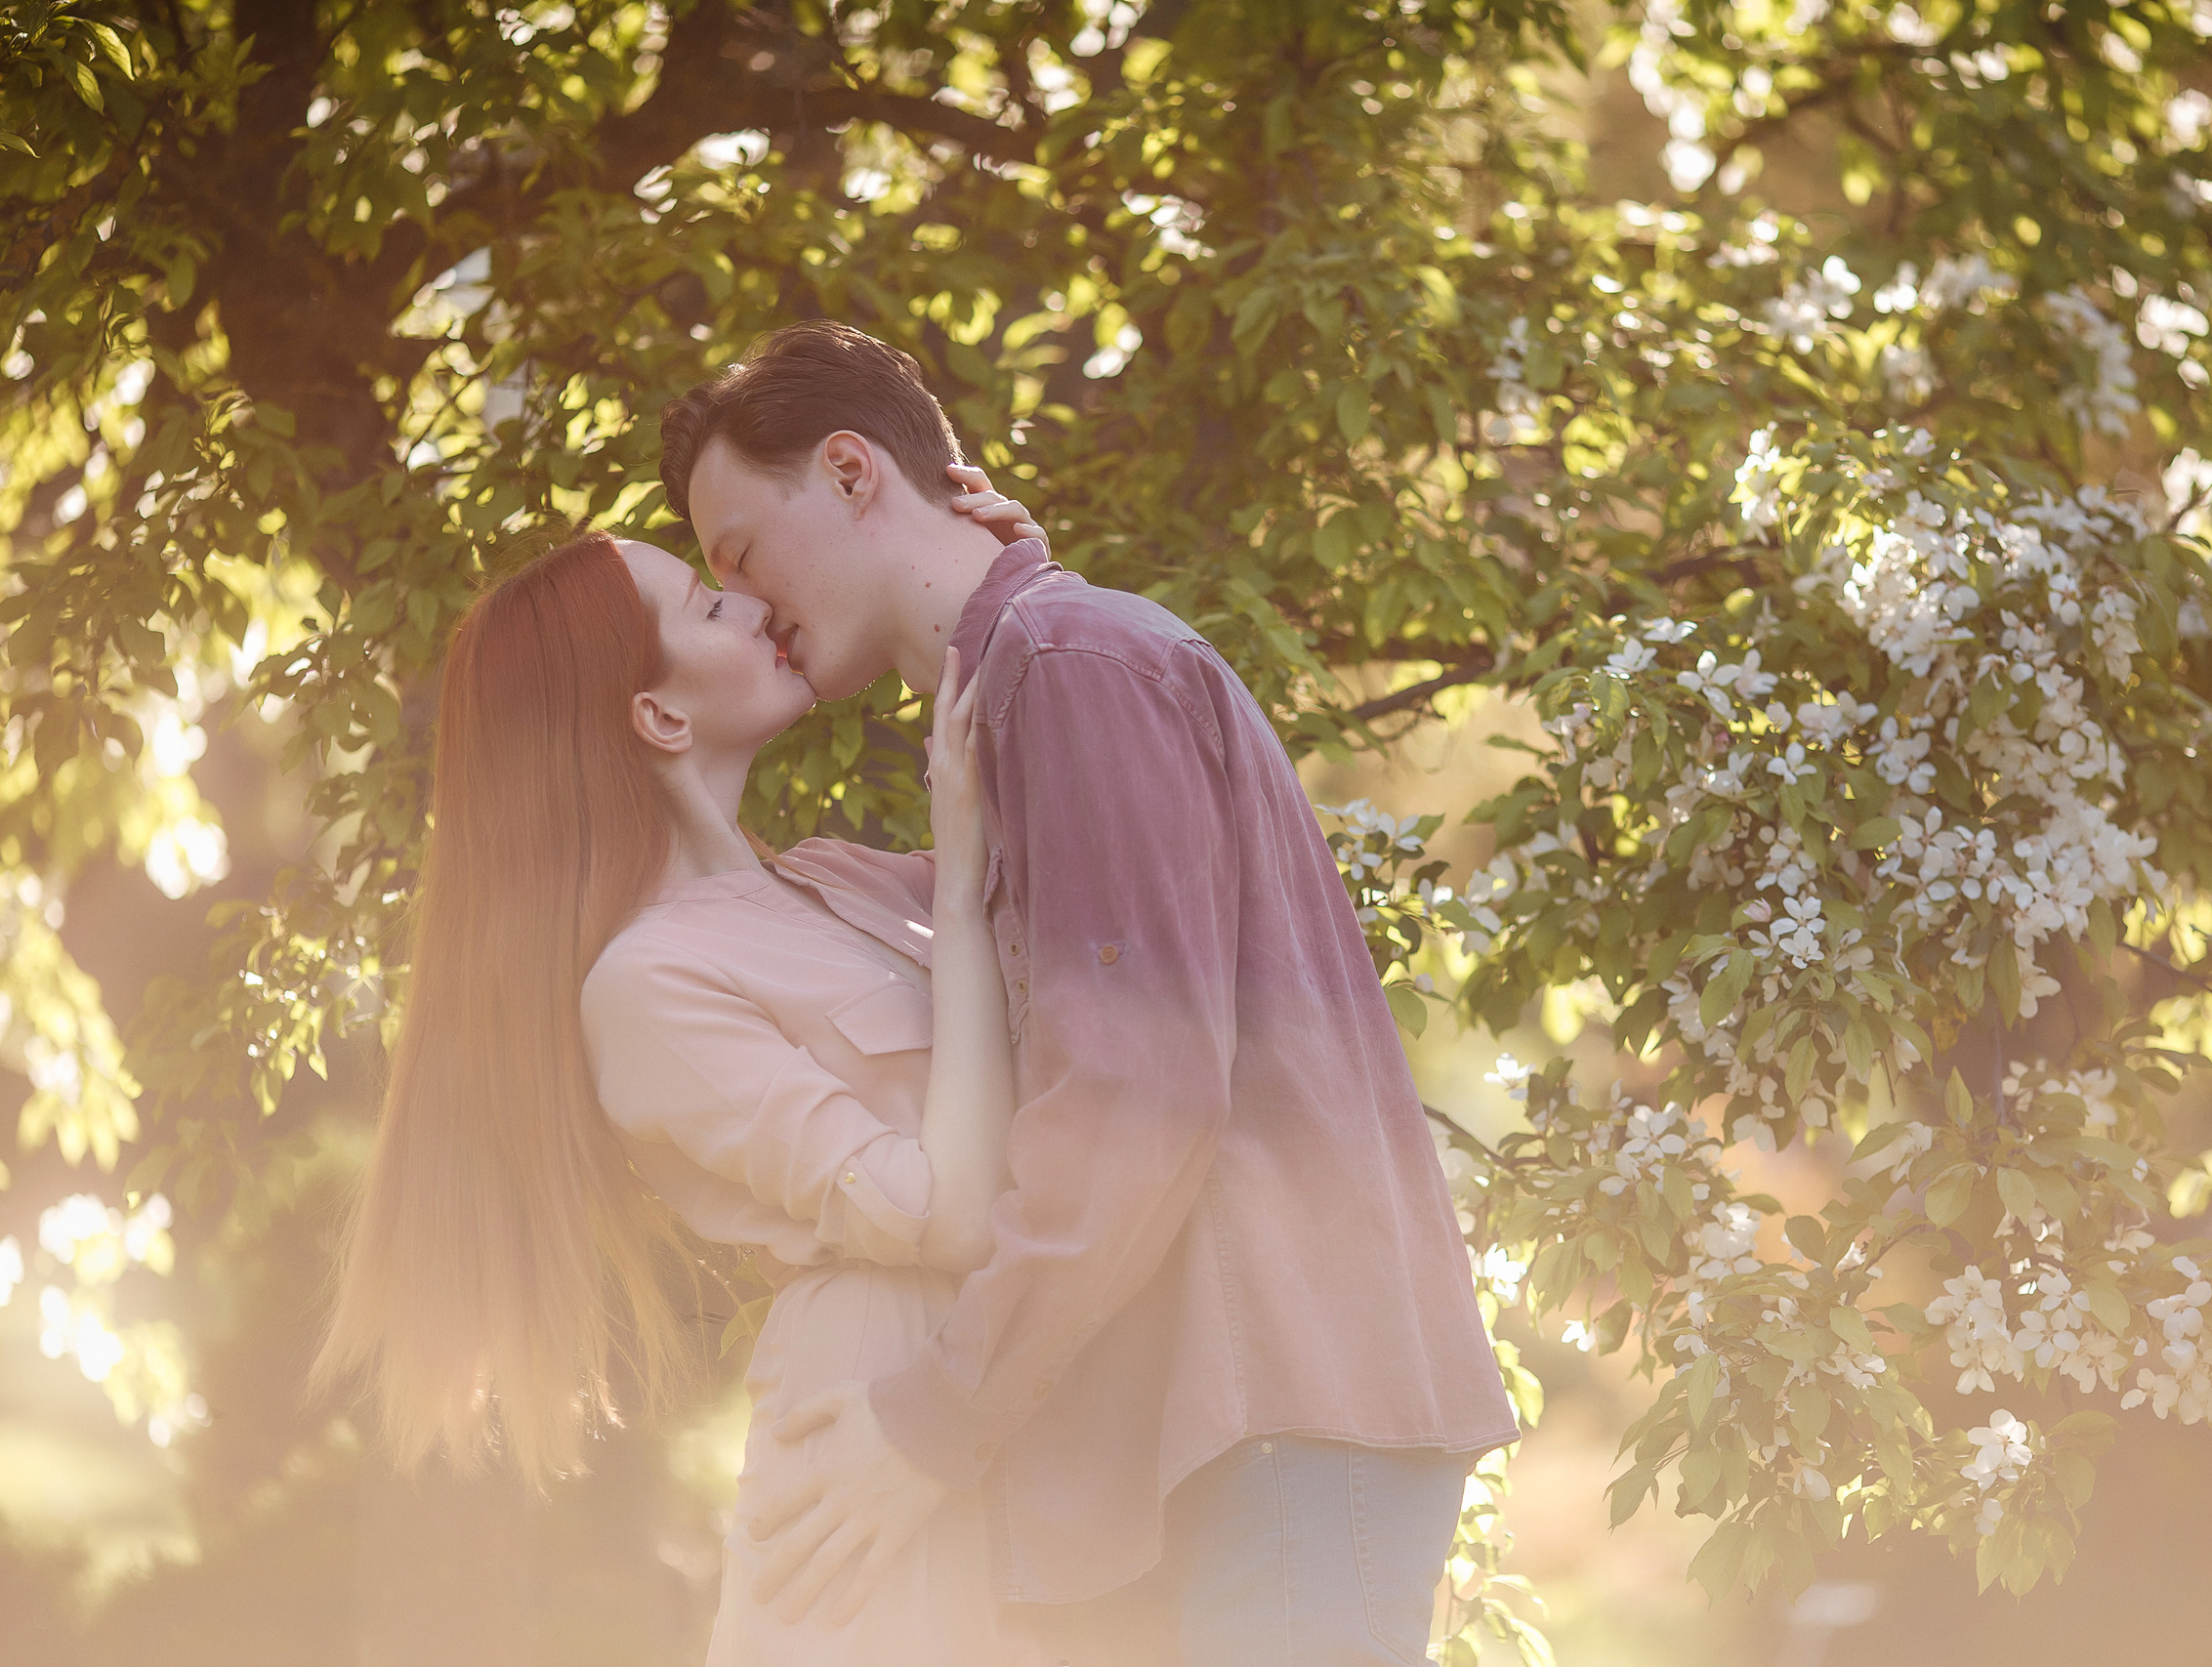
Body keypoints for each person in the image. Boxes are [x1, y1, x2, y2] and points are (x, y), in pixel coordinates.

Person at [662, 320, 1518, 1664]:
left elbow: (1136, 1095)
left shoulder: (1071, 669)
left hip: (1274, 1409)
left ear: (847, 470)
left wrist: (936, 1419)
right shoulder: (1033, 683)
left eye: (738, 555)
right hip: (1232, 1432)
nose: (749, 601)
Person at [313, 482, 1051, 1662]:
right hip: (864, 1440)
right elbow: (944, 1208)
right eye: (711, 605)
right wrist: (956, 889)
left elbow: (1061, 895)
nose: (755, 603)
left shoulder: (837, 883)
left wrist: (1002, 593)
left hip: (1003, 1413)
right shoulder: (646, 990)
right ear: (657, 719)